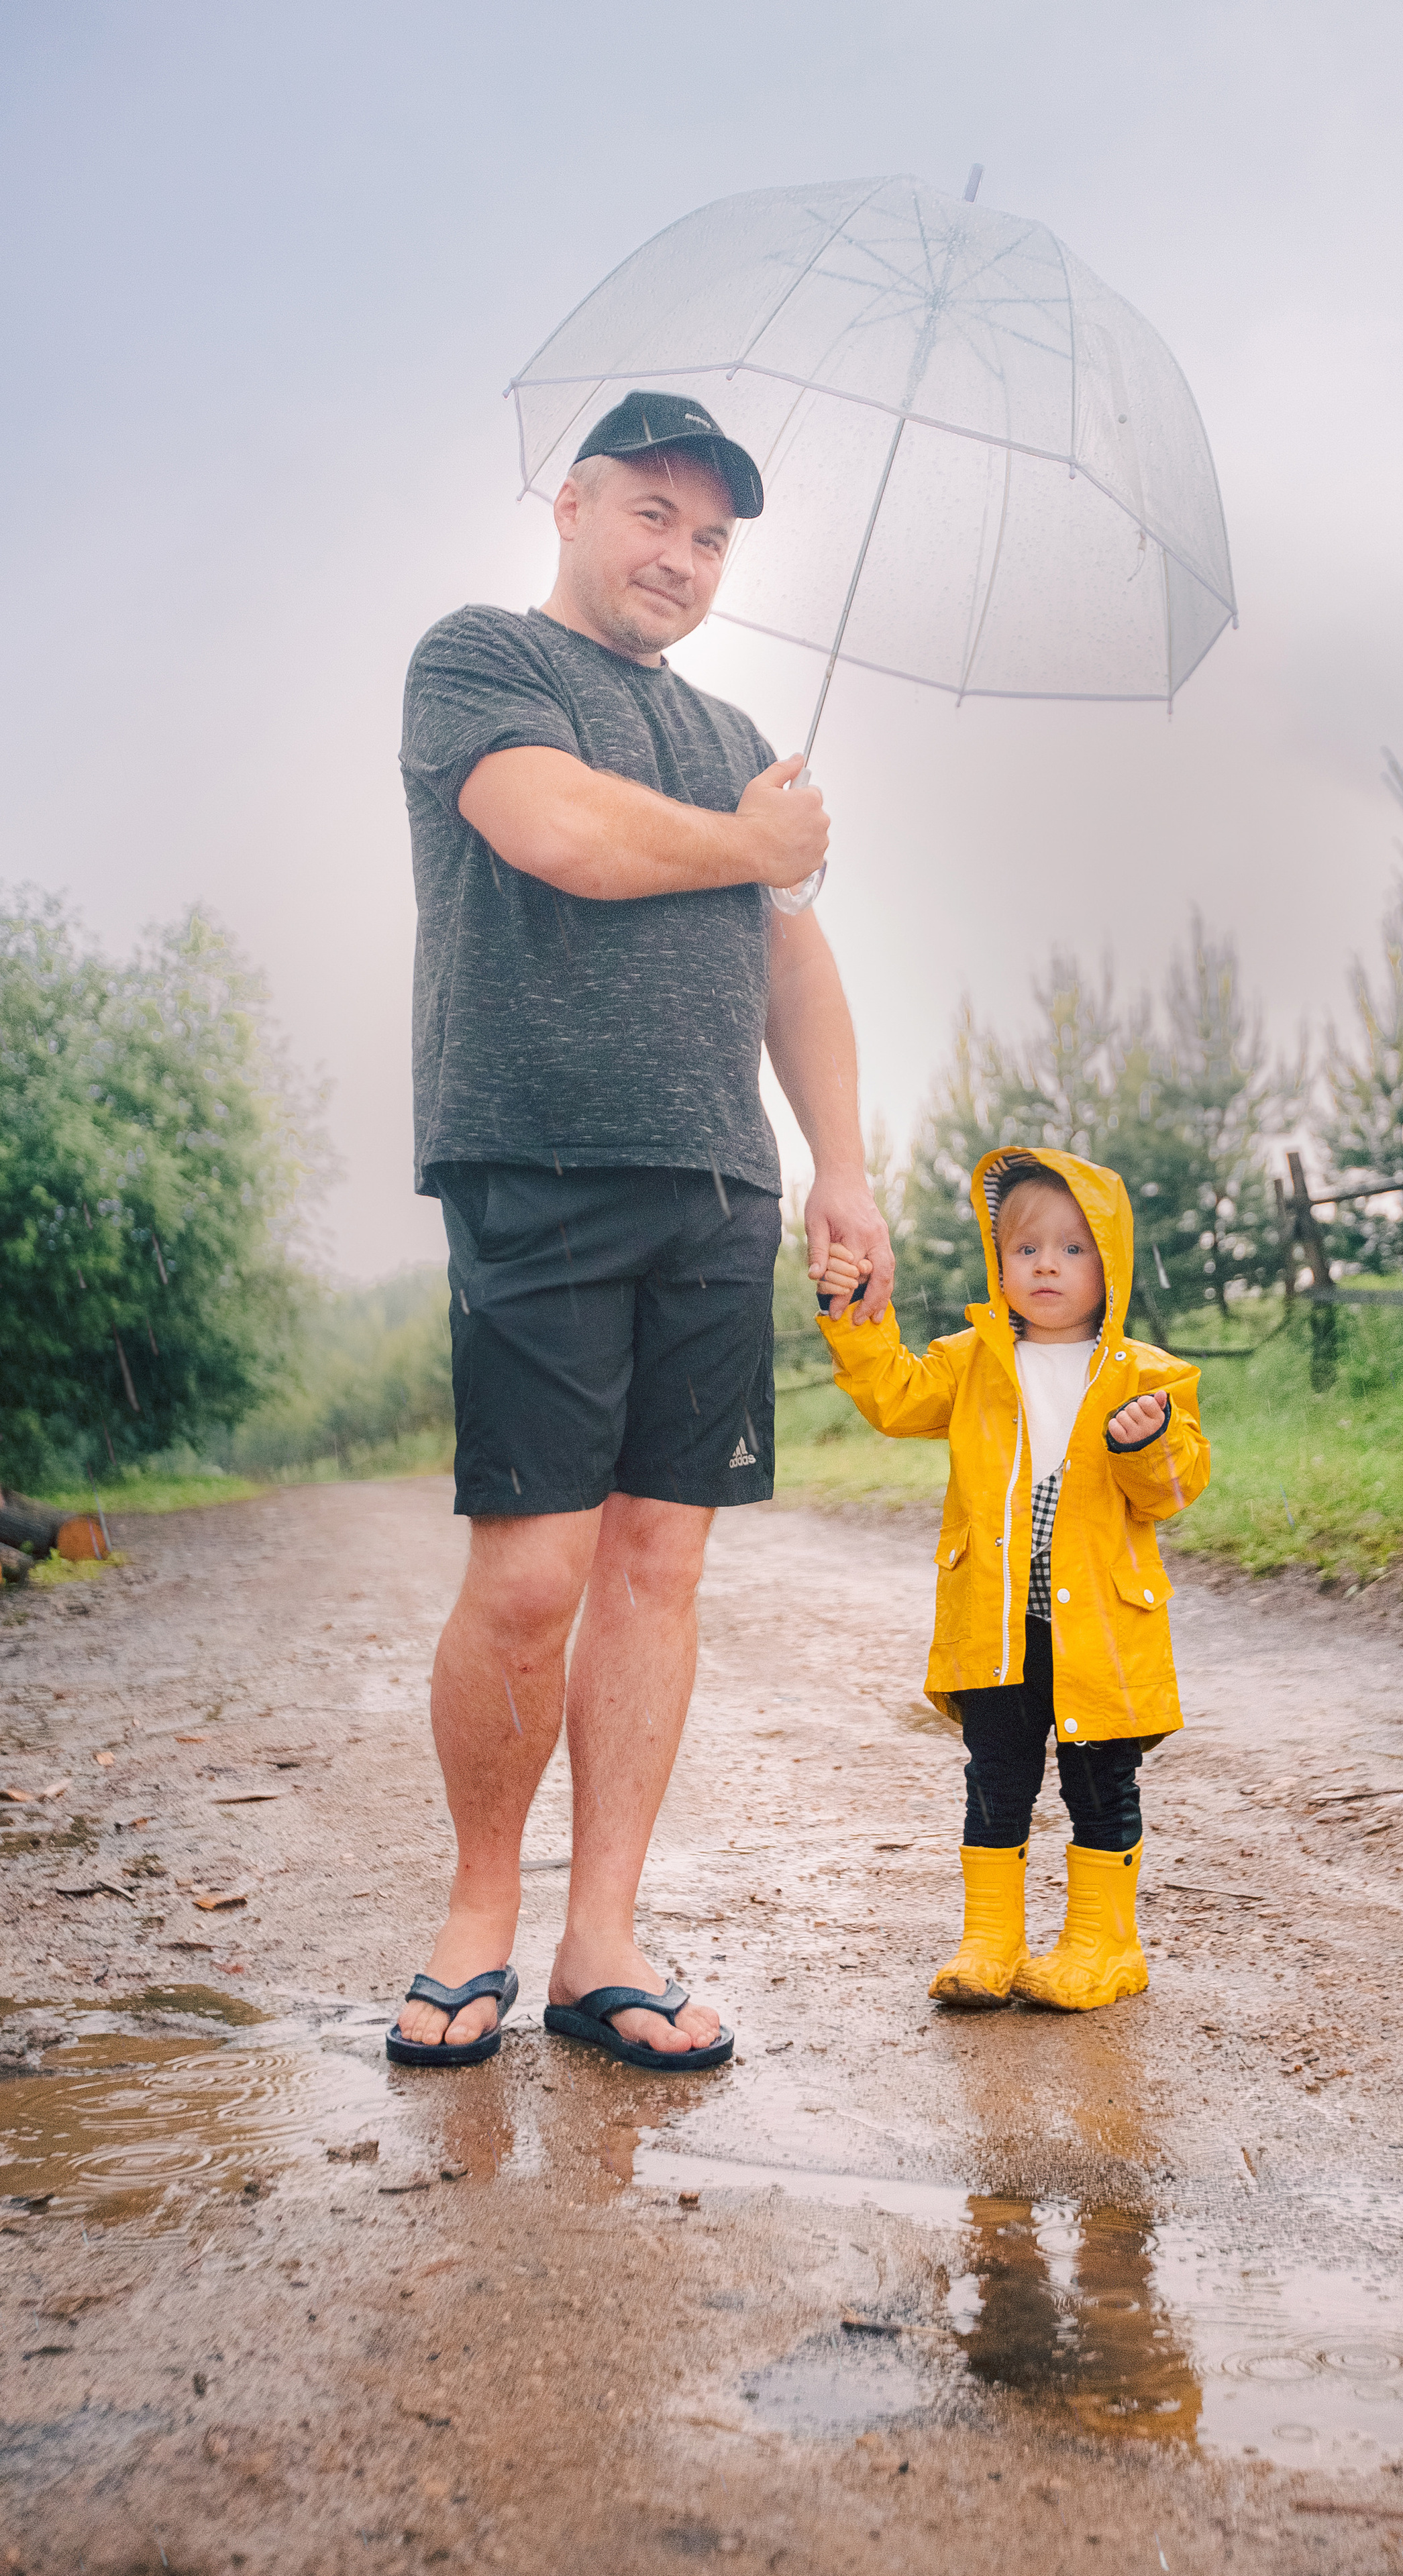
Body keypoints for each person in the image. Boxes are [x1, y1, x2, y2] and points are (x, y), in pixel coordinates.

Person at [388, 389, 894, 2071]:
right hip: (533, 1162)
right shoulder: (480, 661)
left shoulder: (738, 730)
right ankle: (476, 1910)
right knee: (530, 1571)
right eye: (652, 516)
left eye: (711, 536)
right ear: (571, 503)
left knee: (658, 1566)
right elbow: (553, 828)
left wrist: (840, 1163)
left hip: (715, 1185)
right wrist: (754, 836)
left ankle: (598, 1934)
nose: (678, 556)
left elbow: (790, 959)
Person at [815, 1149, 1208, 2012]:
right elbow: (892, 1397)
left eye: (1073, 1250)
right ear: (1000, 1263)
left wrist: (1149, 1445)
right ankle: (990, 1941)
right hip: (994, 1622)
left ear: (1111, 1264)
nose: (1047, 1267)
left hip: (1099, 1629)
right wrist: (853, 1319)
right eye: (1026, 1249)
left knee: (1099, 1780)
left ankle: (1105, 1946)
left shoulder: (1149, 1378)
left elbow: (1175, 1493)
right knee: (996, 1777)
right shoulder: (970, 1362)